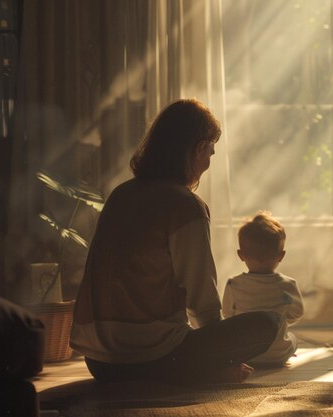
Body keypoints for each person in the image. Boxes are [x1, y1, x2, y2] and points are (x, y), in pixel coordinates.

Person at [70, 99, 279, 385]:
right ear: (197, 149)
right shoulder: (185, 205)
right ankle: (200, 374)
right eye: (210, 152)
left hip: (99, 362)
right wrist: (219, 356)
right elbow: (201, 297)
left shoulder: (120, 195)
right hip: (154, 358)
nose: (208, 162)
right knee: (269, 324)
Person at [222, 212, 304, 367]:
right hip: (278, 355)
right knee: (293, 338)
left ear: (241, 255)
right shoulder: (288, 285)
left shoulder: (234, 284)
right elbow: (297, 313)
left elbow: (227, 315)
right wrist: (282, 320)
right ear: (281, 256)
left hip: (245, 355)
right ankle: (280, 349)